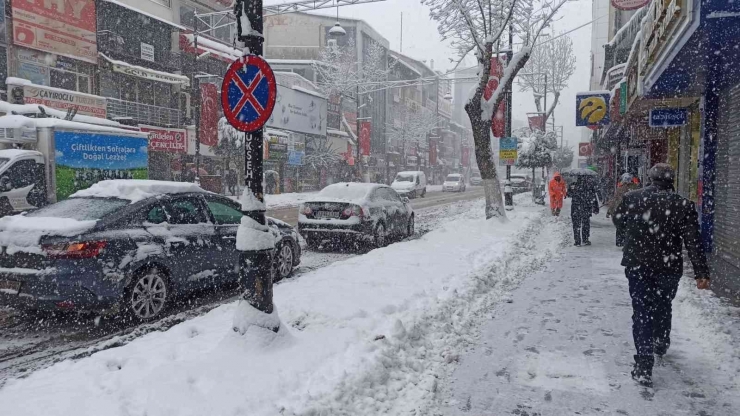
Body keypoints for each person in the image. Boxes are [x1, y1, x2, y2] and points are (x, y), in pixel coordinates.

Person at [613, 163, 710, 387]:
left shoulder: (633, 198)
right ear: (671, 179)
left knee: (642, 310)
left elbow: (618, 220)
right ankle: (660, 340)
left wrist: (633, 232)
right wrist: (701, 273)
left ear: (651, 178)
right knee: (663, 304)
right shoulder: (683, 205)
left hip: (639, 265)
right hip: (669, 266)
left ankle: (644, 364)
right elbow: (694, 241)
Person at [607, 173, 641, 246]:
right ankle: (628, 242)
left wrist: (610, 211)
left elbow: (615, 201)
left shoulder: (620, 189)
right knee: (630, 226)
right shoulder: (636, 188)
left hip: (621, 211)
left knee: (620, 226)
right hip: (632, 211)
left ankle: (620, 242)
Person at [568, 175, 599, 246]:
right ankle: (585, 239)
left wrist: (572, 190)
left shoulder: (573, 185)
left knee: (576, 225)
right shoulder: (589, 186)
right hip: (586, 208)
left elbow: (568, 194)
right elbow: (593, 197)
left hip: (575, 208)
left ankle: (577, 241)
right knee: (586, 224)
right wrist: (595, 208)